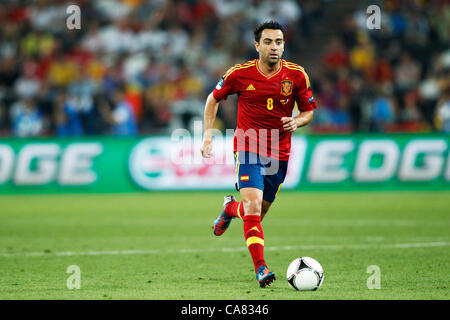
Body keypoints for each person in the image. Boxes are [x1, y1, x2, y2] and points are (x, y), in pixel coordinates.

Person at [200, 21, 317, 287]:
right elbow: (213, 98)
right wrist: (208, 134)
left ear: (284, 45)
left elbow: (309, 110)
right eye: (268, 42)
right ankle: (261, 269)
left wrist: (297, 121)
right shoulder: (239, 73)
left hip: (280, 153)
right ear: (257, 46)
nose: (274, 47)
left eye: (278, 42)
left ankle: (229, 208)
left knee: (256, 214)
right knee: (253, 207)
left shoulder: (297, 75)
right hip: (248, 146)